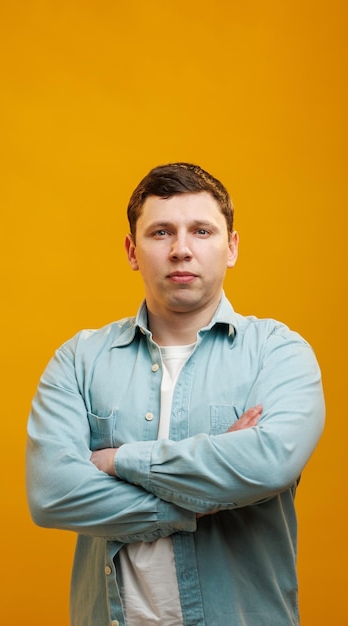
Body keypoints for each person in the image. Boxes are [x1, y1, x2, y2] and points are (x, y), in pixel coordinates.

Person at [26, 162, 325, 626]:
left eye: (201, 231)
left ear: (232, 247)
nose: (181, 250)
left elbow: (270, 462)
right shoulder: (80, 359)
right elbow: (53, 494)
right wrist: (210, 494)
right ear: (132, 250)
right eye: (161, 232)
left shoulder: (279, 352)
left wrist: (120, 460)